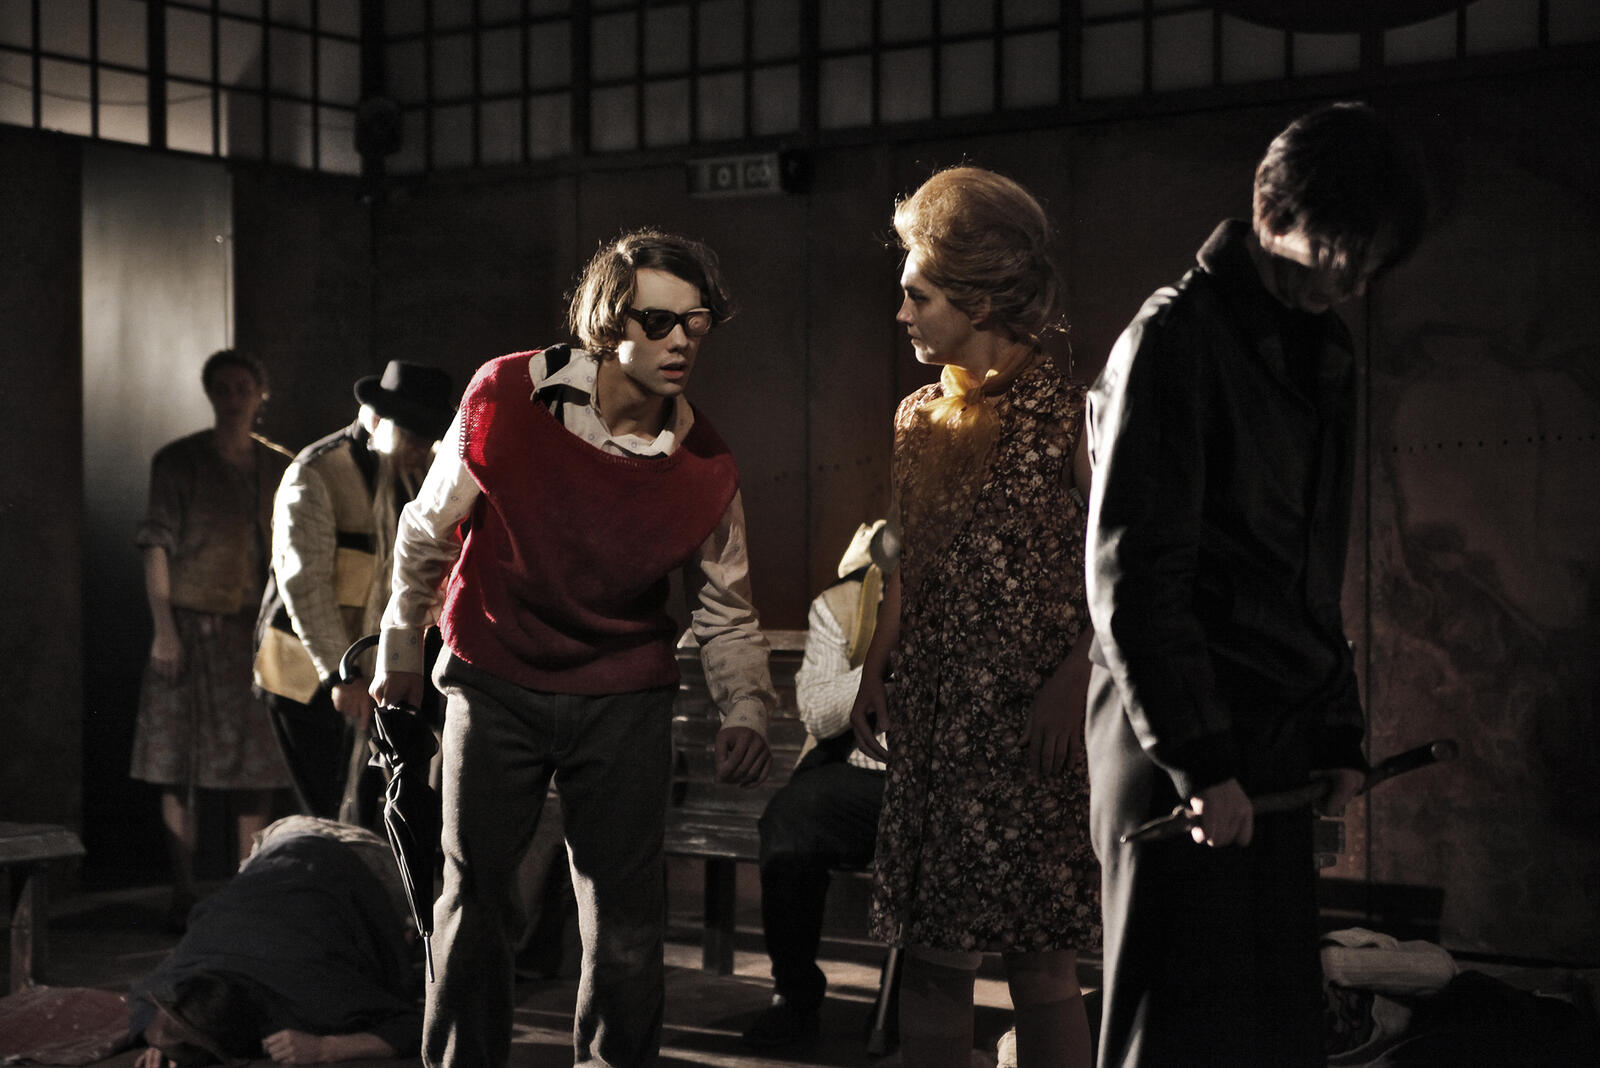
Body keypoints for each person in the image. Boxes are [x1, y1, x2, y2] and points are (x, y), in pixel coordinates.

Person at [370, 228, 777, 1067]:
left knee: (625, 920)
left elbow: (726, 606)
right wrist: (400, 647)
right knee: (474, 900)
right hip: (495, 675)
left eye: (696, 323)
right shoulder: (505, 396)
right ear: (608, 321)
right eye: (658, 322)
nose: (680, 342)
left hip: (624, 695)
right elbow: (426, 529)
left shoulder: (703, 466)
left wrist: (746, 705)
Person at [1084, 101, 1428, 1067]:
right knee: (1172, 1029)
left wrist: (1335, 729)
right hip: (1171, 738)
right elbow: (1134, 575)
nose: (1354, 281)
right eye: (1343, 251)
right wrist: (1199, 761)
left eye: (1373, 263)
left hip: (1270, 736)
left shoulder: (1324, 349)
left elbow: (1315, 570)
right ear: (1276, 213)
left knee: (1272, 1027)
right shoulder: (1174, 338)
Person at [850, 167, 1101, 1068]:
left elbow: (1118, 572)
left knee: (1041, 958)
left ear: (980, 300)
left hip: (1031, 720)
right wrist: (878, 661)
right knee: (930, 949)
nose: (902, 313)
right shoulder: (919, 415)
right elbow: (907, 553)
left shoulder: (1069, 418)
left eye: (919, 296)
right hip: (936, 717)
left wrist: (1072, 681)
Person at [130, 349, 295, 932]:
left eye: (242, 387)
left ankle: (247, 891)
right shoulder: (180, 461)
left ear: (260, 393)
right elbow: (156, 545)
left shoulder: (279, 466)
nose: (232, 398)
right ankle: (184, 892)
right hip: (193, 631)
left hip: (255, 635)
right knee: (180, 761)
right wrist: (165, 631)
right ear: (209, 393)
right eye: (222, 388)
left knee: (257, 767)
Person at [253, 360, 456, 826]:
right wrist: (339, 676)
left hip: (378, 668)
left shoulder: (419, 471)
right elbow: (305, 586)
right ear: (380, 420)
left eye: (429, 438)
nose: (423, 449)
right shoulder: (317, 472)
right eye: (415, 437)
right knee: (327, 813)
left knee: (377, 812)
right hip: (309, 672)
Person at [742, 519, 898, 1050]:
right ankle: (795, 994)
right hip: (863, 774)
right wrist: (883, 662)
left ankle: (902, 1006)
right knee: (790, 820)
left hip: (944, 777)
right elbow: (818, 712)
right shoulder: (842, 604)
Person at [128, 815, 422, 1067]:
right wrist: (170, 1038)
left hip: (364, 855)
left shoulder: (318, 994)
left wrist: (326, 1047)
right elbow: (145, 1004)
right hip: (279, 839)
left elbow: (413, 1026)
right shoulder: (187, 966)